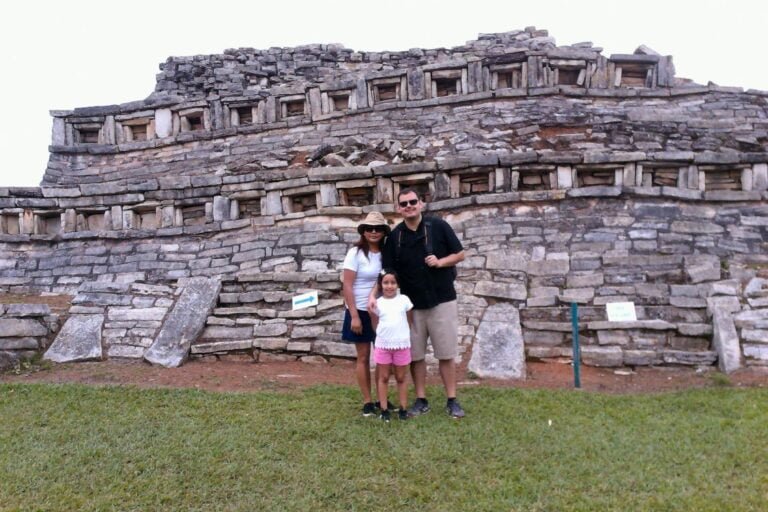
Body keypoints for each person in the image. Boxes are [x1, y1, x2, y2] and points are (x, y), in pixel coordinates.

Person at [369, 187, 466, 419]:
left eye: (413, 202)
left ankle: (452, 399)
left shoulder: (438, 227)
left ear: (421, 203)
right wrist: (374, 294)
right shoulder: (395, 236)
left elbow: (460, 254)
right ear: (398, 208)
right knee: (416, 356)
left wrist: (441, 262)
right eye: (404, 204)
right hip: (411, 307)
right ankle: (421, 399)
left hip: (442, 299)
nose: (409, 206)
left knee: (446, 353)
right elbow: (387, 271)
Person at [341, 211, 391, 416]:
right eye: (369, 228)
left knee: (381, 357)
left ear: (383, 232)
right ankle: (367, 401)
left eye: (378, 228)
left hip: (382, 312)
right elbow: (347, 285)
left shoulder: (387, 254)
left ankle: (382, 399)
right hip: (359, 310)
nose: (373, 232)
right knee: (363, 357)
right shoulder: (356, 253)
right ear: (363, 231)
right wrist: (353, 315)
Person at [370, 270, 414, 422]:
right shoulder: (378, 303)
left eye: (393, 282)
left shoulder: (404, 300)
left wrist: (402, 334)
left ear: (398, 284)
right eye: (386, 283)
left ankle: (403, 408)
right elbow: (375, 323)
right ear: (380, 285)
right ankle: (384, 409)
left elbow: (409, 320)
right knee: (383, 377)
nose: (389, 286)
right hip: (383, 345)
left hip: (401, 345)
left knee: (401, 377)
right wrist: (383, 335)